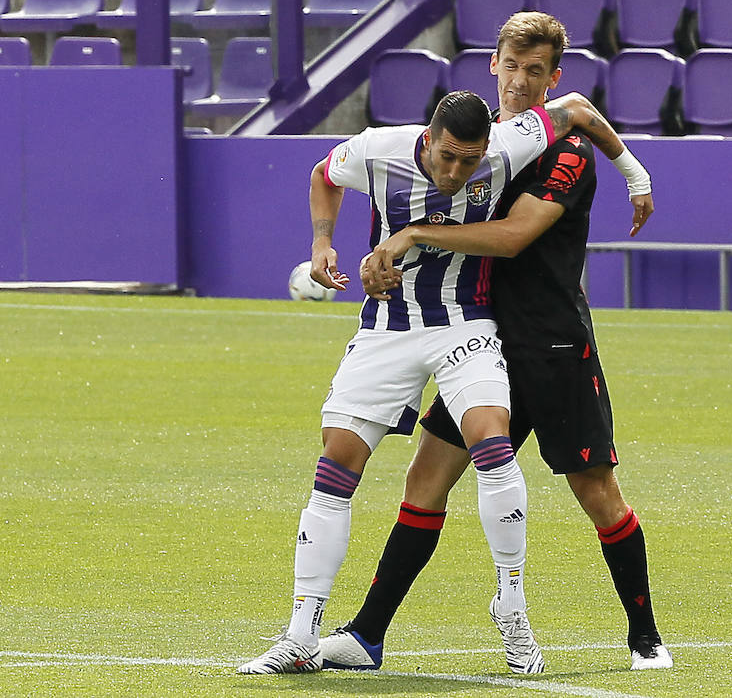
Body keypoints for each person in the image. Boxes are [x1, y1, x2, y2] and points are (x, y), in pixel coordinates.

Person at [238, 83, 650, 676]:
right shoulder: (377, 149)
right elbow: (323, 174)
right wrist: (322, 239)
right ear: (426, 140)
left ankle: (512, 607)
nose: (458, 170)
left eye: (470, 160)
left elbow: (579, 108)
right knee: (337, 464)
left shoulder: (506, 144)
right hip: (388, 328)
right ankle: (302, 632)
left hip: (465, 326)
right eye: (447, 156)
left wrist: (635, 175)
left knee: (493, 444)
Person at [317, 11, 673, 673]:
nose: (520, 80)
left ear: (550, 76)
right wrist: (378, 254)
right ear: (493, 65)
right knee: (426, 476)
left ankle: (646, 635)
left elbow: (511, 235)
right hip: (477, 340)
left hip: (553, 344)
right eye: (512, 66)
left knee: (597, 492)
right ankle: (367, 633)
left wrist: (631, 172)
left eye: (535, 70)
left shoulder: (564, 152)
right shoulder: (482, 141)